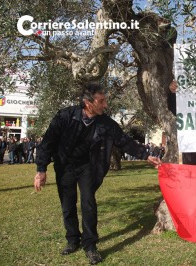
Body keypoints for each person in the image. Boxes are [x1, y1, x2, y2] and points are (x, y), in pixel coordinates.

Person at [34, 82, 161, 265]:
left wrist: (146, 155)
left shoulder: (106, 123)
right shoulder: (65, 116)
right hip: (65, 166)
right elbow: (47, 143)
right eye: (101, 101)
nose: (105, 105)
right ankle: (72, 240)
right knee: (67, 205)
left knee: (88, 203)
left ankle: (90, 245)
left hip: (88, 166)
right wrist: (41, 170)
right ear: (88, 103)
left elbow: (124, 141)